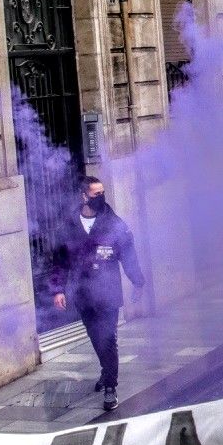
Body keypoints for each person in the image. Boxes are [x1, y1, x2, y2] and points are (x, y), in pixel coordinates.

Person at [51, 175, 146, 413]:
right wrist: (58, 290)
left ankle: (110, 387)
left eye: (102, 193)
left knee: (107, 338)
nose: (101, 198)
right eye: (96, 194)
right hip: (84, 295)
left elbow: (129, 255)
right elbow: (60, 261)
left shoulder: (114, 223)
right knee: (95, 337)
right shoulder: (70, 225)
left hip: (107, 293)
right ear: (84, 196)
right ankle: (106, 372)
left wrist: (138, 282)